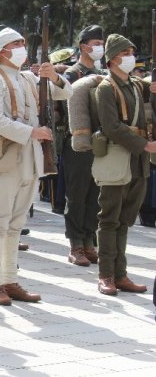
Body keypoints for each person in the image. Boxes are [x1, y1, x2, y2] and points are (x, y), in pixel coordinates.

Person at [0, 27, 71, 306]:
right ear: (3, 51)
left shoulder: (30, 78)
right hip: (5, 159)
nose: (21, 47)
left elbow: (65, 93)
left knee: (16, 223)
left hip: (29, 160)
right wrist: (30, 132)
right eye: (16, 43)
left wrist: (53, 75)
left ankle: (10, 279)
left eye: (22, 42)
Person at [93, 34, 151, 296]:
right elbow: (111, 126)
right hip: (117, 157)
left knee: (126, 219)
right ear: (113, 58)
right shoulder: (106, 87)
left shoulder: (135, 85)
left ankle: (121, 273)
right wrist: (144, 145)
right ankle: (106, 274)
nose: (130, 57)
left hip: (137, 160)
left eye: (132, 52)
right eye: (125, 52)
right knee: (110, 219)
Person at [61, 25, 105, 266]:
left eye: (101, 43)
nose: (99, 47)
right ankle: (76, 242)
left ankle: (89, 240)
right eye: (95, 43)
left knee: (94, 193)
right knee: (76, 193)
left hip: (99, 141)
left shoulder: (103, 74)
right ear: (83, 46)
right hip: (76, 140)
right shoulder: (72, 74)